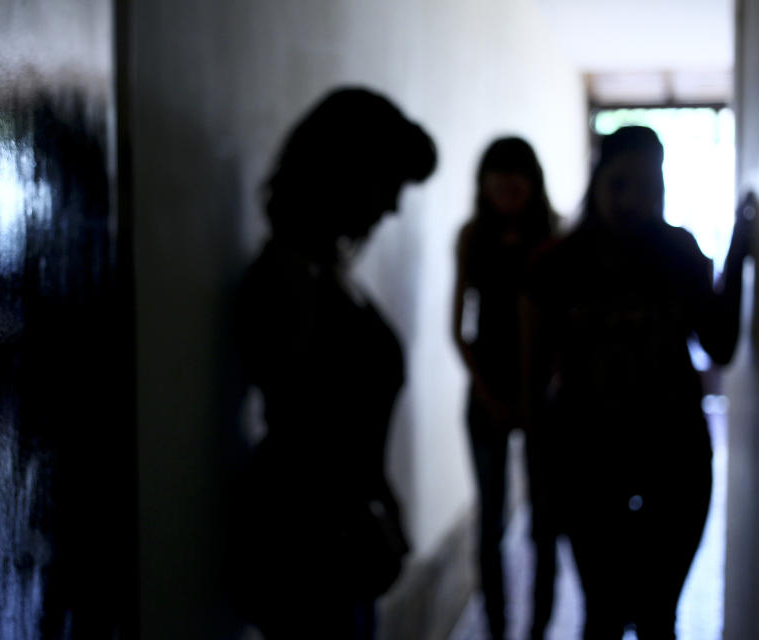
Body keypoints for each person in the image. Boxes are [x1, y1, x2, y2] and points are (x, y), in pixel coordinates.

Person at [523, 126, 753, 639]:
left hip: (675, 458)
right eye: (621, 183)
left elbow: (719, 342)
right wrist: (542, 483)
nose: (632, 199)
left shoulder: (677, 250)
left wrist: (737, 254)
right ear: (599, 179)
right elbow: (533, 381)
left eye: (648, 185)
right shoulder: (557, 264)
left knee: (656, 616)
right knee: (603, 613)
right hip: (589, 461)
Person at [232, 87, 436, 639]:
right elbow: (308, 427)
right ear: (345, 171)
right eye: (389, 183)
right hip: (309, 548)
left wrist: (382, 503)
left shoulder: (324, 271)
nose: (393, 207)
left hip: (332, 541)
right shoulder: (292, 276)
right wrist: (368, 509)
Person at [452, 137, 558, 640]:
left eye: (515, 179)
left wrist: (532, 395)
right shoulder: (473, 238)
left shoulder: (553, 239)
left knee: (544, 522)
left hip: (543, 396)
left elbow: (561, 330)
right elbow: (459, 328)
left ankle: (537, 627)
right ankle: (497, 629)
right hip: (488, 392)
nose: (507, 189)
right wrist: (491, 394)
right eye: (499, 179)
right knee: (490, 520)